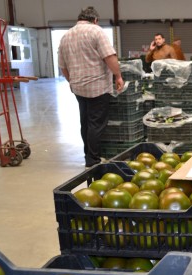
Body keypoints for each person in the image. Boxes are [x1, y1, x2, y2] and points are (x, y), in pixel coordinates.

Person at [58, 6, 124, 168]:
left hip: (78, 88)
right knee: (95, 123)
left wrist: (72, 81)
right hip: (97, 87)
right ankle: (93, 159)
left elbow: (63, 67)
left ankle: (88, 154)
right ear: (95, 20)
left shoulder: (66, 36)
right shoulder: (96, 31)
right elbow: (109, 56)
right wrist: (118, 76)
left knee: (85, 122)